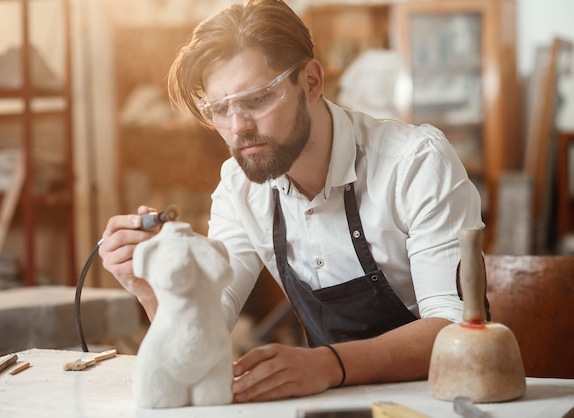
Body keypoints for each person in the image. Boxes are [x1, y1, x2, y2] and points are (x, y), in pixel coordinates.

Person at [99, 0, 483, 404]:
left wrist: (327, 364)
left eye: (258, 98)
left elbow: (456, 327)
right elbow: (207, 322)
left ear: (312, 82)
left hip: (441, 400)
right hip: (330, 405)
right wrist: (150, 289)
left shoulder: (414, 163)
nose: (238, 127)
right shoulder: (239, 187)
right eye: (219, 110)